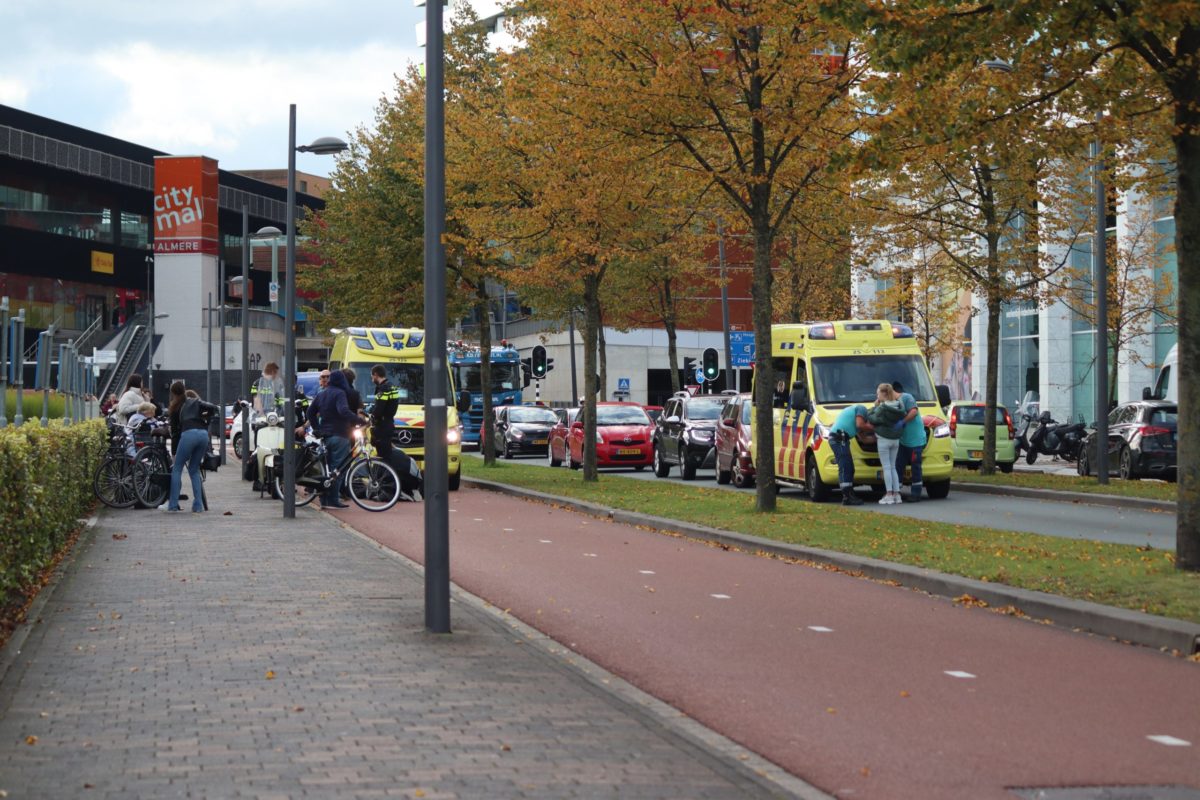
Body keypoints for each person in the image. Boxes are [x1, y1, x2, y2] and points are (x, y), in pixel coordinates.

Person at [306, 369, 359, 510]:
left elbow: (310, 412)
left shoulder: (322, 394)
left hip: (325, 436)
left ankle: (324, 499)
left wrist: (317, 428)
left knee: (327, 470)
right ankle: (333, 500)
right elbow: (343, 411)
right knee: (338, 469)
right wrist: (359, 420)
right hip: (340, 435)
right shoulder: (340, 393)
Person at [162, 388, 218, 513]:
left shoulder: (179, 407)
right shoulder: (199, 405)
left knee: (177, 469)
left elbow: (175, 433)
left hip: (188, 435)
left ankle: (173, 505)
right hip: (203, 436)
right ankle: (198, 505)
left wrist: (174, 452)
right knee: (194, 469)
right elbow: (213, 410)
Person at [868, 383, 906, 505]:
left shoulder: (882, 407)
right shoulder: (899, 405)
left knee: (886, 467)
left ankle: (889, 494)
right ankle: (897, 494)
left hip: (883, 439)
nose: (877, 395)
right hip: (895, 440)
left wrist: (874, 407)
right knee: (893, 466)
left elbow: (872, 418)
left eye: (878, 393)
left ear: (883, 394)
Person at [828, 403, 872, 506]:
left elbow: (864, 440)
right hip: (839, 438)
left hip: (840, 438)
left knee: (850, 468)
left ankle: (849, 494)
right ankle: (847, 497)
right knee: (845, 467)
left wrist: (879, 438)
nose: (869, 424)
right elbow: (860, 425)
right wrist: (875, 428)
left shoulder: (858, 417)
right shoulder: (861, 409)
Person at [892, 381, 927, 503]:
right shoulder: (894, 402)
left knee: (915, 467)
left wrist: (903, 422)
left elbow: (913, 411)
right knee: (898, 466)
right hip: (904, 441)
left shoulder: (906, 397)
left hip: (915, 441)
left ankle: (916, 494)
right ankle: (896, 492)